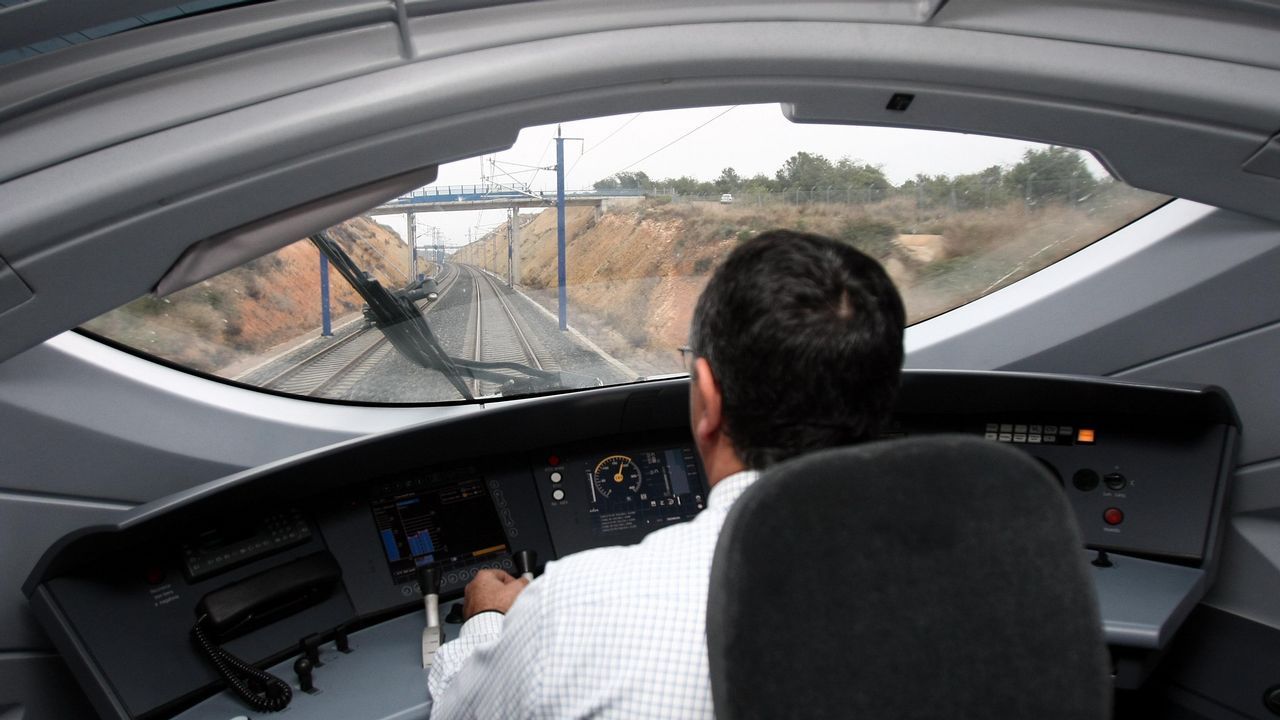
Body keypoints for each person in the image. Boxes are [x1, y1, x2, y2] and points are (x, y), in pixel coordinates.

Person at [427, 229, 906, 718]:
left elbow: (455, 710)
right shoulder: (967, 576)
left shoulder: (570, 611)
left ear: (707, 398)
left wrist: (486, 620)